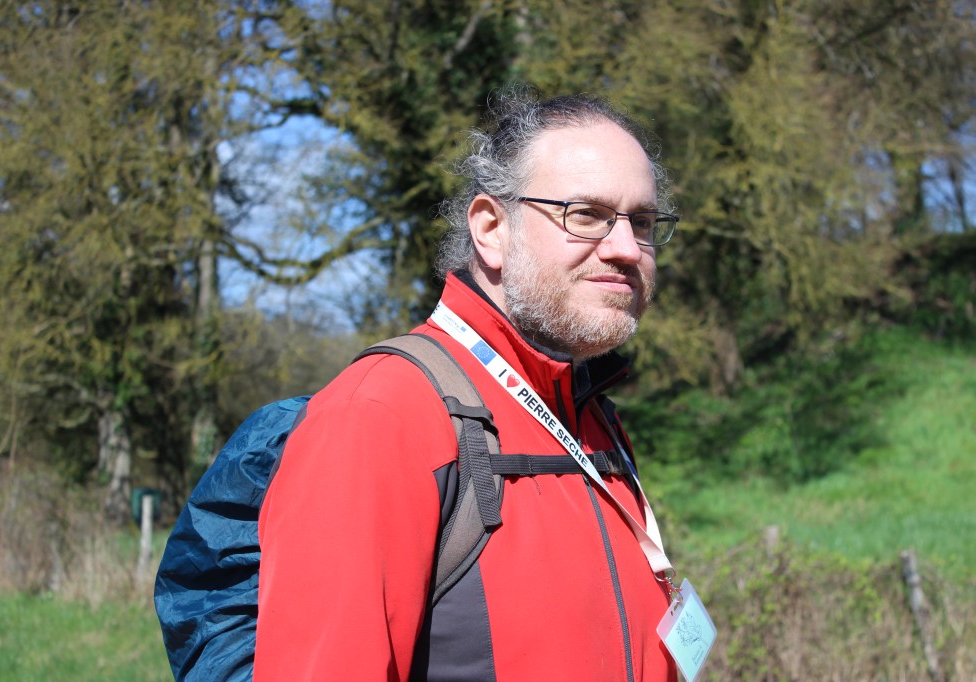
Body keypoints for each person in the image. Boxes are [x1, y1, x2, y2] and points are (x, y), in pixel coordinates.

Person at [255, 88, 681, 681]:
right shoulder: (380, 413)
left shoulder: (593, 415)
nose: (627, 249)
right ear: (491, 229)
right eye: (586, 215)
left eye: (643, 222)